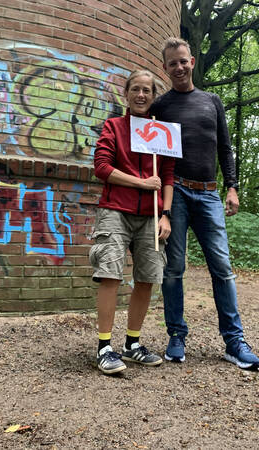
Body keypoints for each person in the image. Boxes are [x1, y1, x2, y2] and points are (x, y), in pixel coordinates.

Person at [150, 37, 259, 370]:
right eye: (172, 63)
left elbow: (225, 148)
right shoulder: (160, 106)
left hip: (210, 192)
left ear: (192, 61)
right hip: (177, 193)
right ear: (166, 68)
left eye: (183, 61)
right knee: (174, 268)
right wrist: (160, 204)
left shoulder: (212, 101)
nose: (179, 67)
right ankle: (176, 336)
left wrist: (233, 187)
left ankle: (234, 342)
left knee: (222, 268)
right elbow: (150, 153)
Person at [90, 69, 175, 375]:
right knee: (110, 273)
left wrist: (166, 214)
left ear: (153, 97)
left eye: (147, 91)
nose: (141, 95)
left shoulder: (161, 133)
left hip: (151, 216)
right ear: (126, 94)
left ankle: (132, 344)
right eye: (136, 89)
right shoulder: (114, 127)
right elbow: (101, 167)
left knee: (147, 277)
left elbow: (167, 176)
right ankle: (104, 347)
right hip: (116, 210)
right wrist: (140, 183)